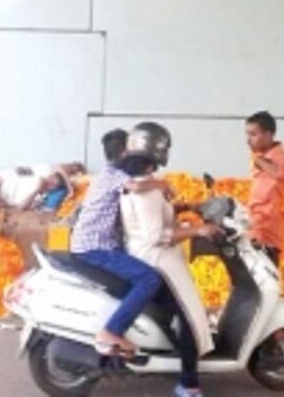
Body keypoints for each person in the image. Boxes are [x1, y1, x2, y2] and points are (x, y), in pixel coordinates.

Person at [119, 122, 220, 397]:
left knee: (182, 311)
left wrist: (187, 208)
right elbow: (155, 235)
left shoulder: (139, 184)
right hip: (157, 259)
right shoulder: (148, 190)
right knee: (190, 315)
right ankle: (188, 383)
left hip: (143, 255)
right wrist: (198, 230)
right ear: (159, 151)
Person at [70, 128, 171, 357]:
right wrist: (162, 184)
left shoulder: (109, 174)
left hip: (98, 244)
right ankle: (112, 331)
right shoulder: (114, 175)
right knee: (149, 278)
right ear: (126, 151)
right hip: (95, 248)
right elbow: (136, 187)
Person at [245, 111, 284, 265]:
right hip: (257, 224)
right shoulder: (261, 157)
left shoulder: (279, 158)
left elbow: (282, 173)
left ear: (267, 135)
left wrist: (260, 161)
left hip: (268, 228)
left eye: (253, 134)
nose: (248, 140)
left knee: (267, 276)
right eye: (247, 134)